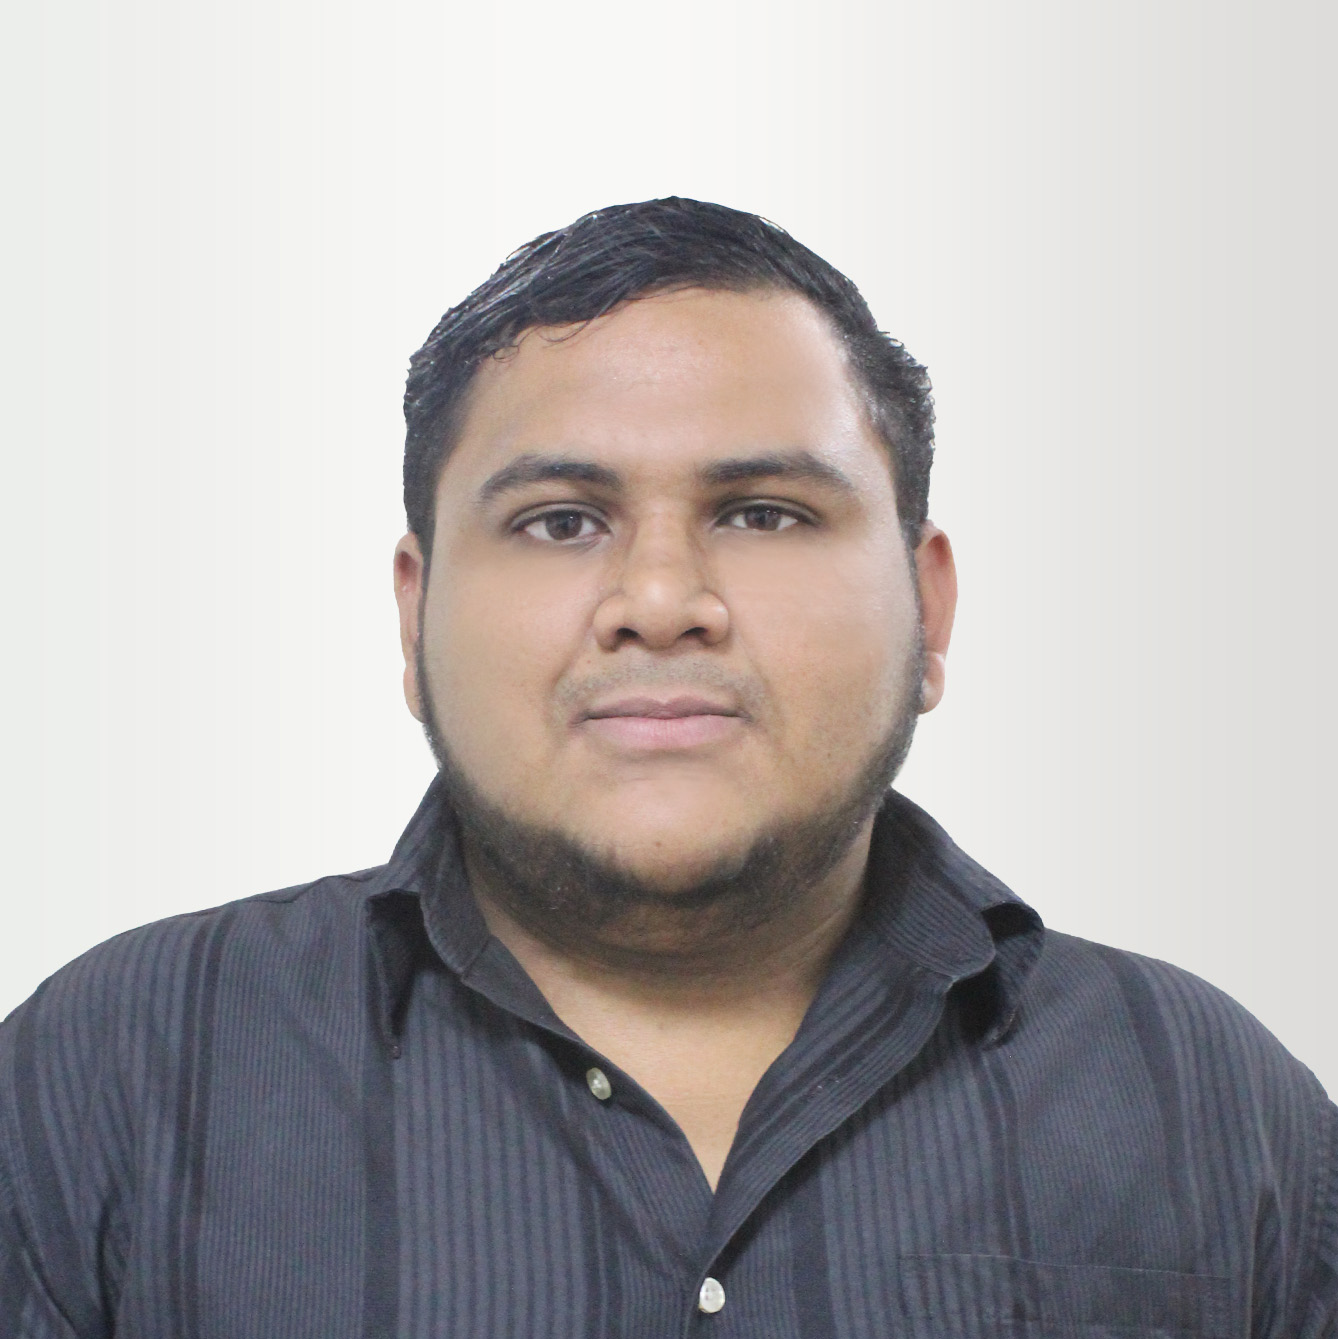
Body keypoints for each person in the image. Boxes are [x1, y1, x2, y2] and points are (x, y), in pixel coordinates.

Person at [2, 197, 1333, 1338]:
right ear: (415, 615)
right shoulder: (112, 1075)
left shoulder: (1211, 1105)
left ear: (927, 608)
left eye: (764, 513)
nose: (657, 599)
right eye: (559, 521)